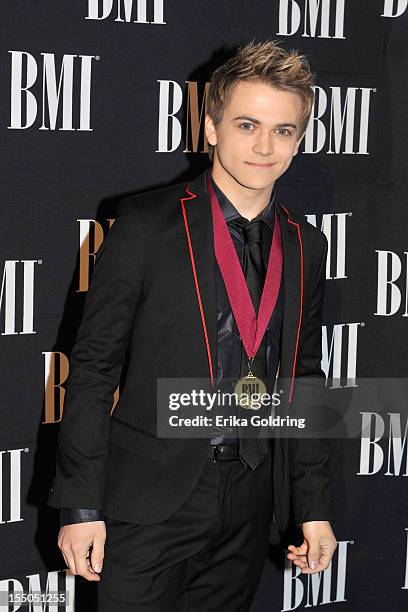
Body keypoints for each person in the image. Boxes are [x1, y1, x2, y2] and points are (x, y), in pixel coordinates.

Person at [47, 39, 337, 611]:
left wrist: (314, 507)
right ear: (210, 127)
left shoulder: (306, 244)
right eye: (247, 123)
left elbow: (304, 381)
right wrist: (81, 507)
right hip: (150, 502)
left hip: (252, 499)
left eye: (283, 131)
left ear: (300, 141)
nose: (263, 145)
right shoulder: (145, 224)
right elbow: (92, 370)